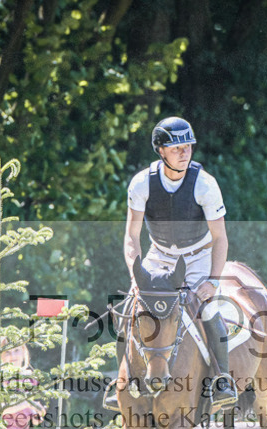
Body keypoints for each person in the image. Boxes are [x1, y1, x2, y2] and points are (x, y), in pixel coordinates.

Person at [103, 116, 236, 412]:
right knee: (129, 305)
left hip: (198, 256)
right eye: (177, 148)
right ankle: (123, 379)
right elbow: (131, 236)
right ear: (160, 150)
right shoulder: (141, 183)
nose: (185, 152)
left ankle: (222, 379)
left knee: (209, 308)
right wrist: (135, 276)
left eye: (188, 146)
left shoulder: (205, 184)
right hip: (159, 255)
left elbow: (221, 238)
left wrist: (212, 281)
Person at [0, 341, 46, 429]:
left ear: (24, 351)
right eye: (7, 352)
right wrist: (27, 404)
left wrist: (35, 414)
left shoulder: (30, 378)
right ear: (1, 356)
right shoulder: (0, 378)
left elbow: (26, 409)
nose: (13, 356)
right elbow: (0, 410)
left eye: (16, 350)